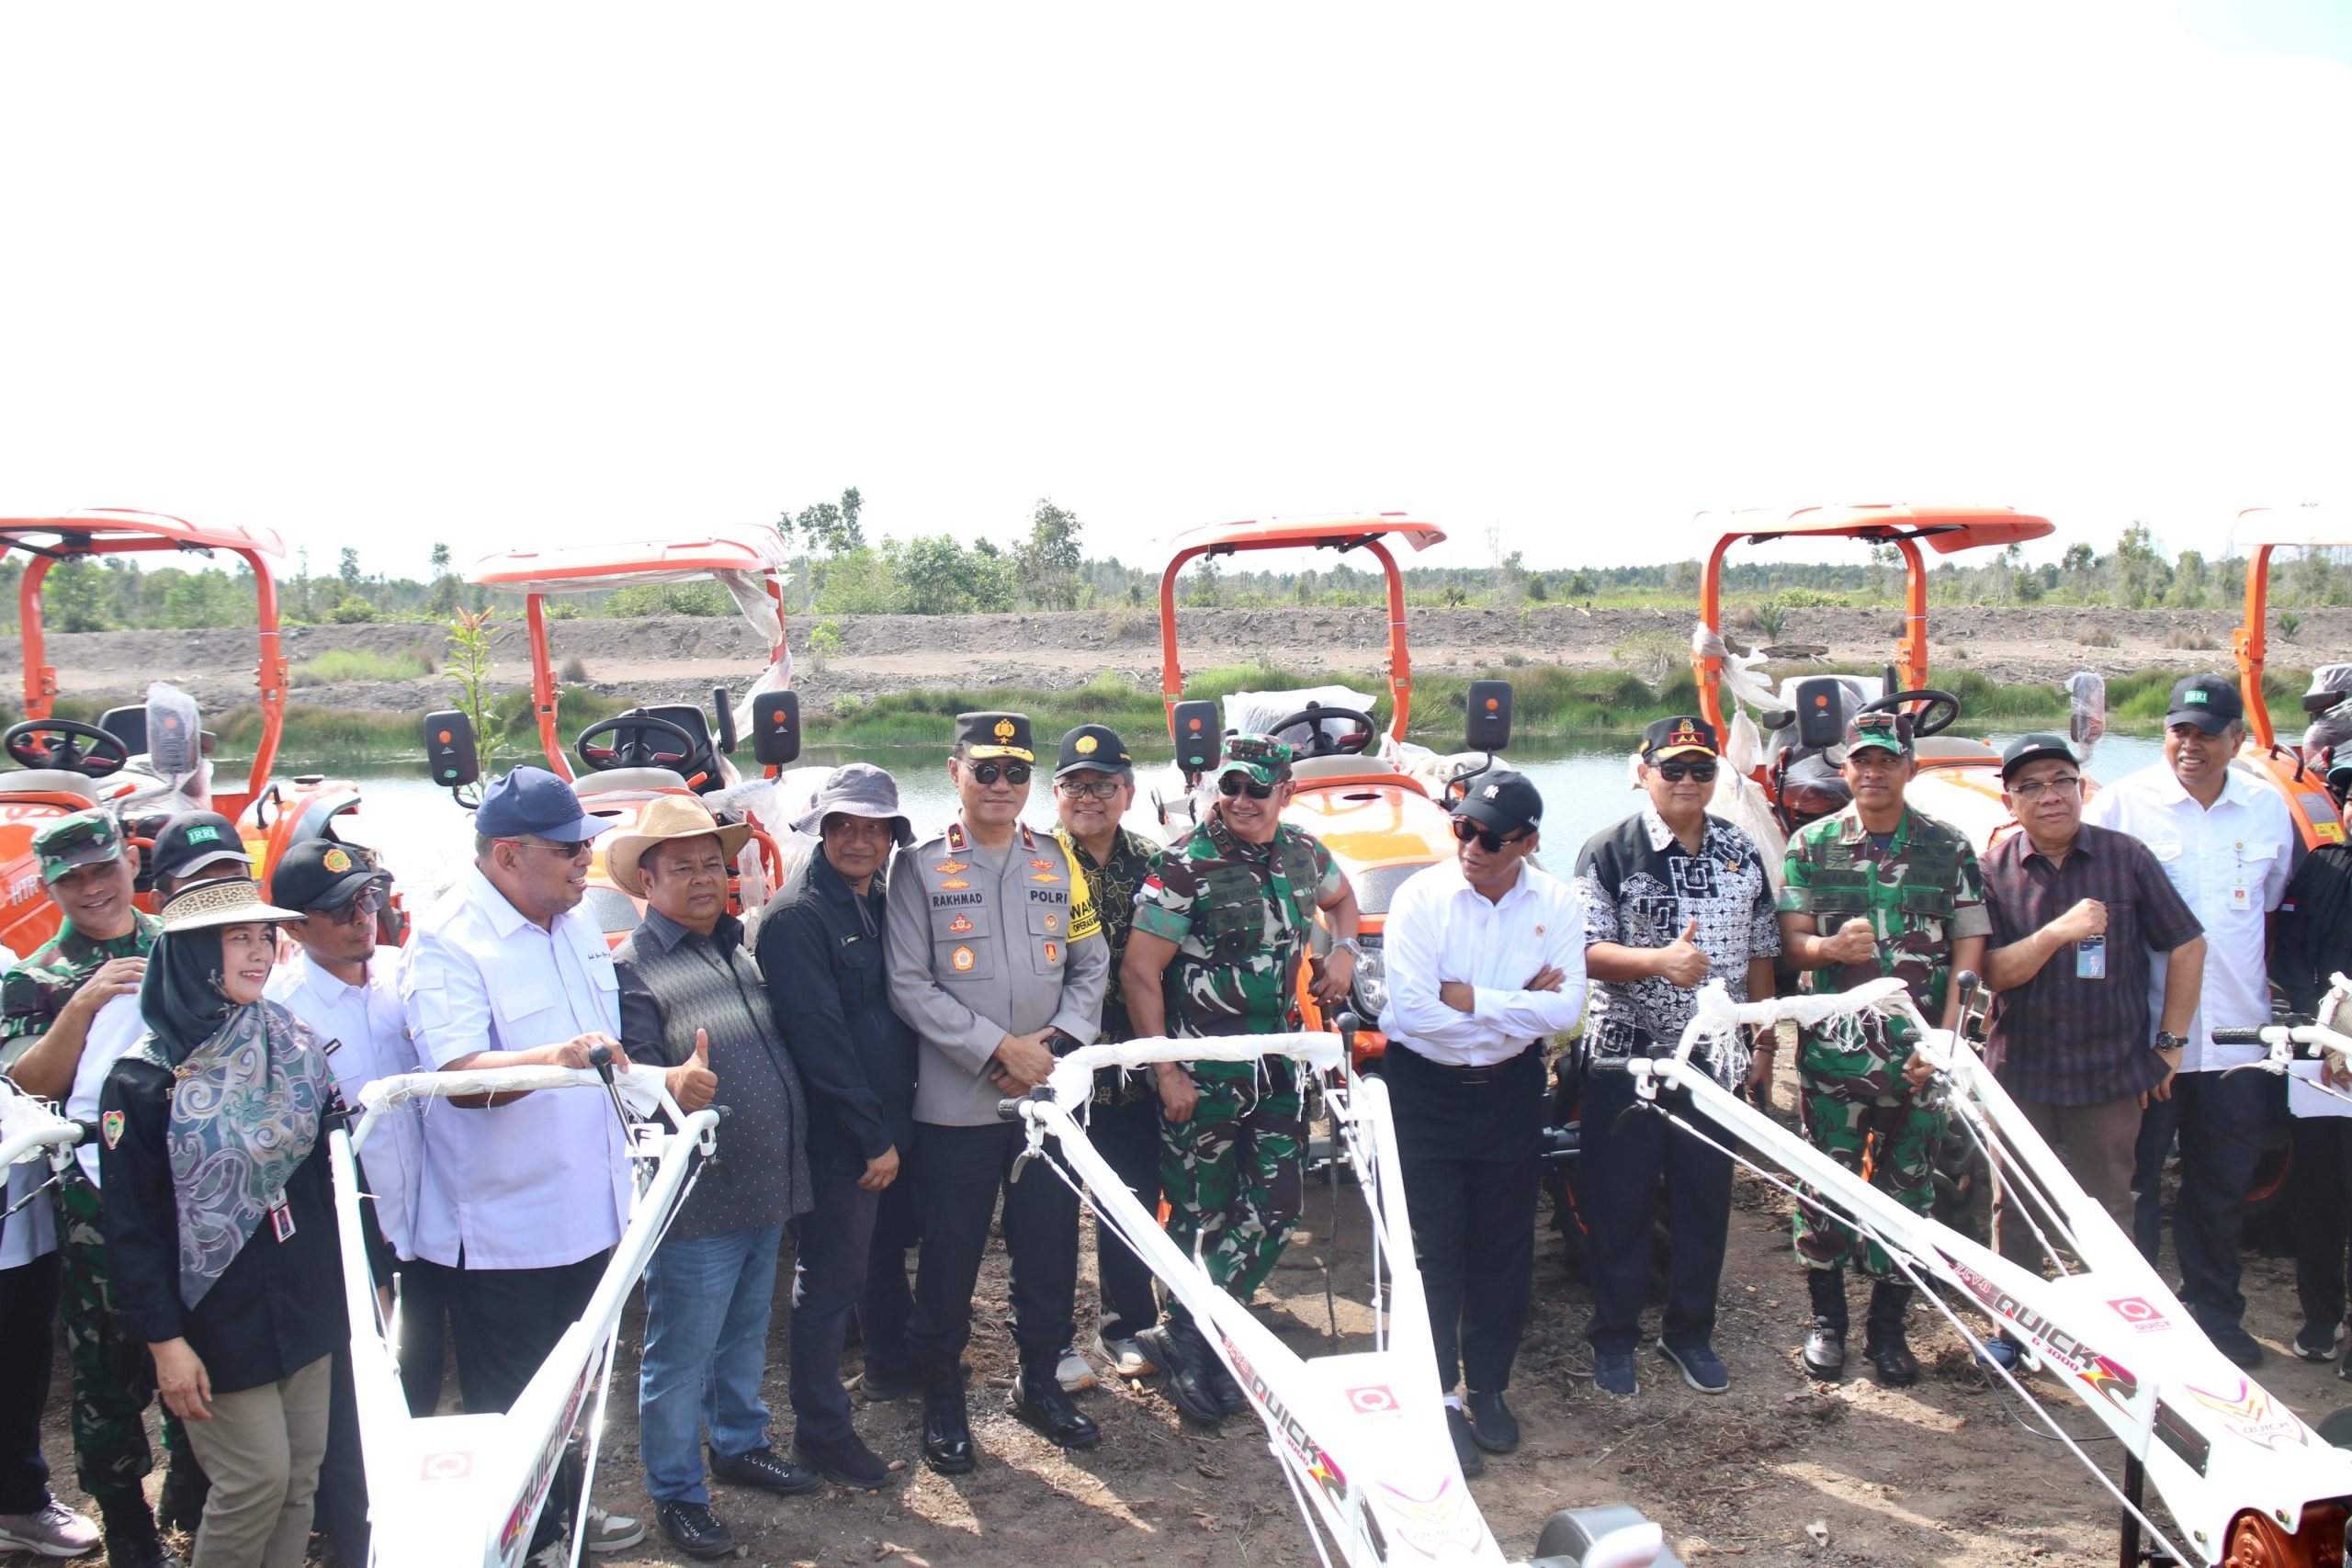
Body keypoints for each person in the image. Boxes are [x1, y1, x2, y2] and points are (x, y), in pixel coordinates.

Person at [99, 876, 385, 1568]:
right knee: (252, 1481)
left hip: (304, 1296)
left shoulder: (295, 1046)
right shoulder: (144, 1080)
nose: (260, 952)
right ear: (195, 953)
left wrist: (371, 1275)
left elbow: (335, 1176)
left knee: (299, 1481)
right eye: (239, 938)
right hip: (214, 1317)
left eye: (265, 936)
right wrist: (165, 1341)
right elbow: (130, 1228)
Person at [397, 768, 644, 1562]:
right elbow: (458, 1077)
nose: (585, 861)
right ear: (508, 854)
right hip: (507, 1231)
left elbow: (608, 1052)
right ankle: (516, 1533)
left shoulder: (571, 922)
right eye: (569, 847)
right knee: (512, 1399)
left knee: (575, 1389)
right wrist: (556, 1057)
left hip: (593, 1210)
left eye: (588, 844)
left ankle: (562, 1514)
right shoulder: (447, 939)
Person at [885, 712, 1110, 1472]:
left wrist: (1053, 1046)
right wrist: (997, 1049)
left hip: (1044, 1100)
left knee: (1048, 1248)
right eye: (987, 770)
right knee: (950, 1256)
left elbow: (1091, 963)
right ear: (955, 772)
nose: (1003, 786)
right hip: (960, 1102)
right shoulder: (917, 868)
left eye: (1016, 772)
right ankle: (943, 1394)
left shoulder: (1056, 861)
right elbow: (908, 984)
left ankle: (1039, 1380)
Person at [1122, 733, 1361, 1427]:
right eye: (1231, 787)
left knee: (1279, 1207)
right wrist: (1165, 1068)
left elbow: (1341, 902)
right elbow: (1140, 972)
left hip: (1275, 1064)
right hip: (1202, 1071)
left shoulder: (1303, 851)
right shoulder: (1184, 867)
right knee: (1201, 1210)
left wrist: (1341, 951)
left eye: (1259, 788)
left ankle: (1193, 1330)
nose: (1242, 801)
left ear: (1286, 792)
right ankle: (1203, 1340)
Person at [610, 796, 816, 1560]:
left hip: (765, 1184)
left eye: (711, 863)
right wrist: (671, 1080)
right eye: (682, 866)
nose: (703, 879)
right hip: (699, 1195)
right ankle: (677, 1490)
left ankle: (739, 1441)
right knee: (678, 1349)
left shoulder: (738, 946)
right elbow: (628, 1078)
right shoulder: (632, 967)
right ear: (647, 878)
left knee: (744, 1331)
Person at [2083, 674, 2298, 1367]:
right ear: (2164, 733)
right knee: (2136, 1186)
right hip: (2147, 1041)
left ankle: (2215, 1313)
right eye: (2181, 729)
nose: (2192, 744)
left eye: (2208, 732)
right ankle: (2141, 1328)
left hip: (2238, 1038)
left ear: (2238, 739)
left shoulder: (2268, 811)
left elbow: (2264, 909)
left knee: (2220, 1185)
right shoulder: (2122, 804)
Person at [1381, 769, 1583, 1474]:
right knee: (1435, 1247)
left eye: (1490, 838)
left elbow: (1565, 1011)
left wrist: (1470, 998)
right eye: (1462, 826)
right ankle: (1436, 1396)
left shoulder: (1557, 902)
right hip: (1423, 1088)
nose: (1470, 844)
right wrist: (1512, 1002)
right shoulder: (1421, 898)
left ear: (1527, 842)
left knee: (1504, 1245)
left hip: (1508, 1089)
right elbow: (1412, 1013)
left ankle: (1488, 1387)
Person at [1979, 733, 2204, 1366]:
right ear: (2010, 798)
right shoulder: (1992, 868)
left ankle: (2119, 1338)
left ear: (2082, 786)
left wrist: (2169, 1043)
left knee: (2109, 1207)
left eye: (2061, 780)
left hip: (2108, 1073)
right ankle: (2012, 1328)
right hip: (2022, 1069)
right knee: (2016, 1203)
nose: (2050, 795)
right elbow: (1993, 971)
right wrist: (2059, 931)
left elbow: (2187, 943)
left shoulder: (2125, 858)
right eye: (2031, 785)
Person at [1779, 709, 1988, 1386]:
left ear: (1909, 767)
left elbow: (1969, 947)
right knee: (1826, 1190)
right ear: (1845, 770)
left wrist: (1950, 1039)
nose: (1873, 773)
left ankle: (1888, 1330)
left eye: (1886, 760)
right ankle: (1828, 1323)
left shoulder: (1949, 847)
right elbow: (1794, 942)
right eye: (1861, 761)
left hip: (1917, 1058)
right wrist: (1829, 948)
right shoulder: (1811, 844)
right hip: (1834, 1057)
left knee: (1910, 1193)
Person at [1573, 717, 1779, 1402]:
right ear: (1642, 772)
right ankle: (1615, 1337)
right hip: (1625, 1058)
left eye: (1701, 769)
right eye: (1673, 768)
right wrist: (1659, 961)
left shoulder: (1739, 849)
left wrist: (1764, 1040)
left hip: (1714, 1059)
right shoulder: (1608, 851)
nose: (1688, 781)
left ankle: (1690, 1332)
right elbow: (1584, 952)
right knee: (1621, 1201)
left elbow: (1760, 952)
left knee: (1703, 1200)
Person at [0, 811, 179, 1566]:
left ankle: (194, 1493)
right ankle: (128, 1522)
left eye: (103, 868)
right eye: (71, 878)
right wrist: (80, 1004)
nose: (94, 887)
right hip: (90, 1205)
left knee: (205, 1343)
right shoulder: (30, 974)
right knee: (106, 1363)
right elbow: (23, 1083)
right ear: (50, 886)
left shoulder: (178, 942)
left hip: (191, 1185)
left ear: (130, 864)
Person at [261, 839, 427, 1564]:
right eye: (338, 911)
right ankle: (355, 1536)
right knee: (349, 1400)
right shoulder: (278, 1012)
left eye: (367, 899)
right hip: (343, 1232)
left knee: (418, 1378)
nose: (363, 919)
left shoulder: (403, 976)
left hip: (428, 1217)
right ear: (293, 929)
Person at [758, 764, 917, 1489]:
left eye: (873, 826)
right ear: (821, 830)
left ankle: (890, 1365)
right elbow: (820, 1041)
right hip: (841, 1131)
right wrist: (870, 1134)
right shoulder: (797, 916)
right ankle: (821, 1430)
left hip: (891, 1113)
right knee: (826, 1279)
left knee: (879, 1255)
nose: (859, 839)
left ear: (891, 835)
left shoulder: (879, 898)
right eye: (844, 825)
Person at [1049, 722, 1165, 1384]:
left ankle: (1128, 1325)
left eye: (1103, 785)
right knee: (1052, 1207)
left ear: (1128, 791)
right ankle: (1052, 1339)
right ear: (1056, 792)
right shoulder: (1032, 860)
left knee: (1131, 1200)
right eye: (1074, 784)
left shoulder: (1157, 862)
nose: (1088, 796)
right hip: (1059, 1068)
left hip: (1133, 1069)